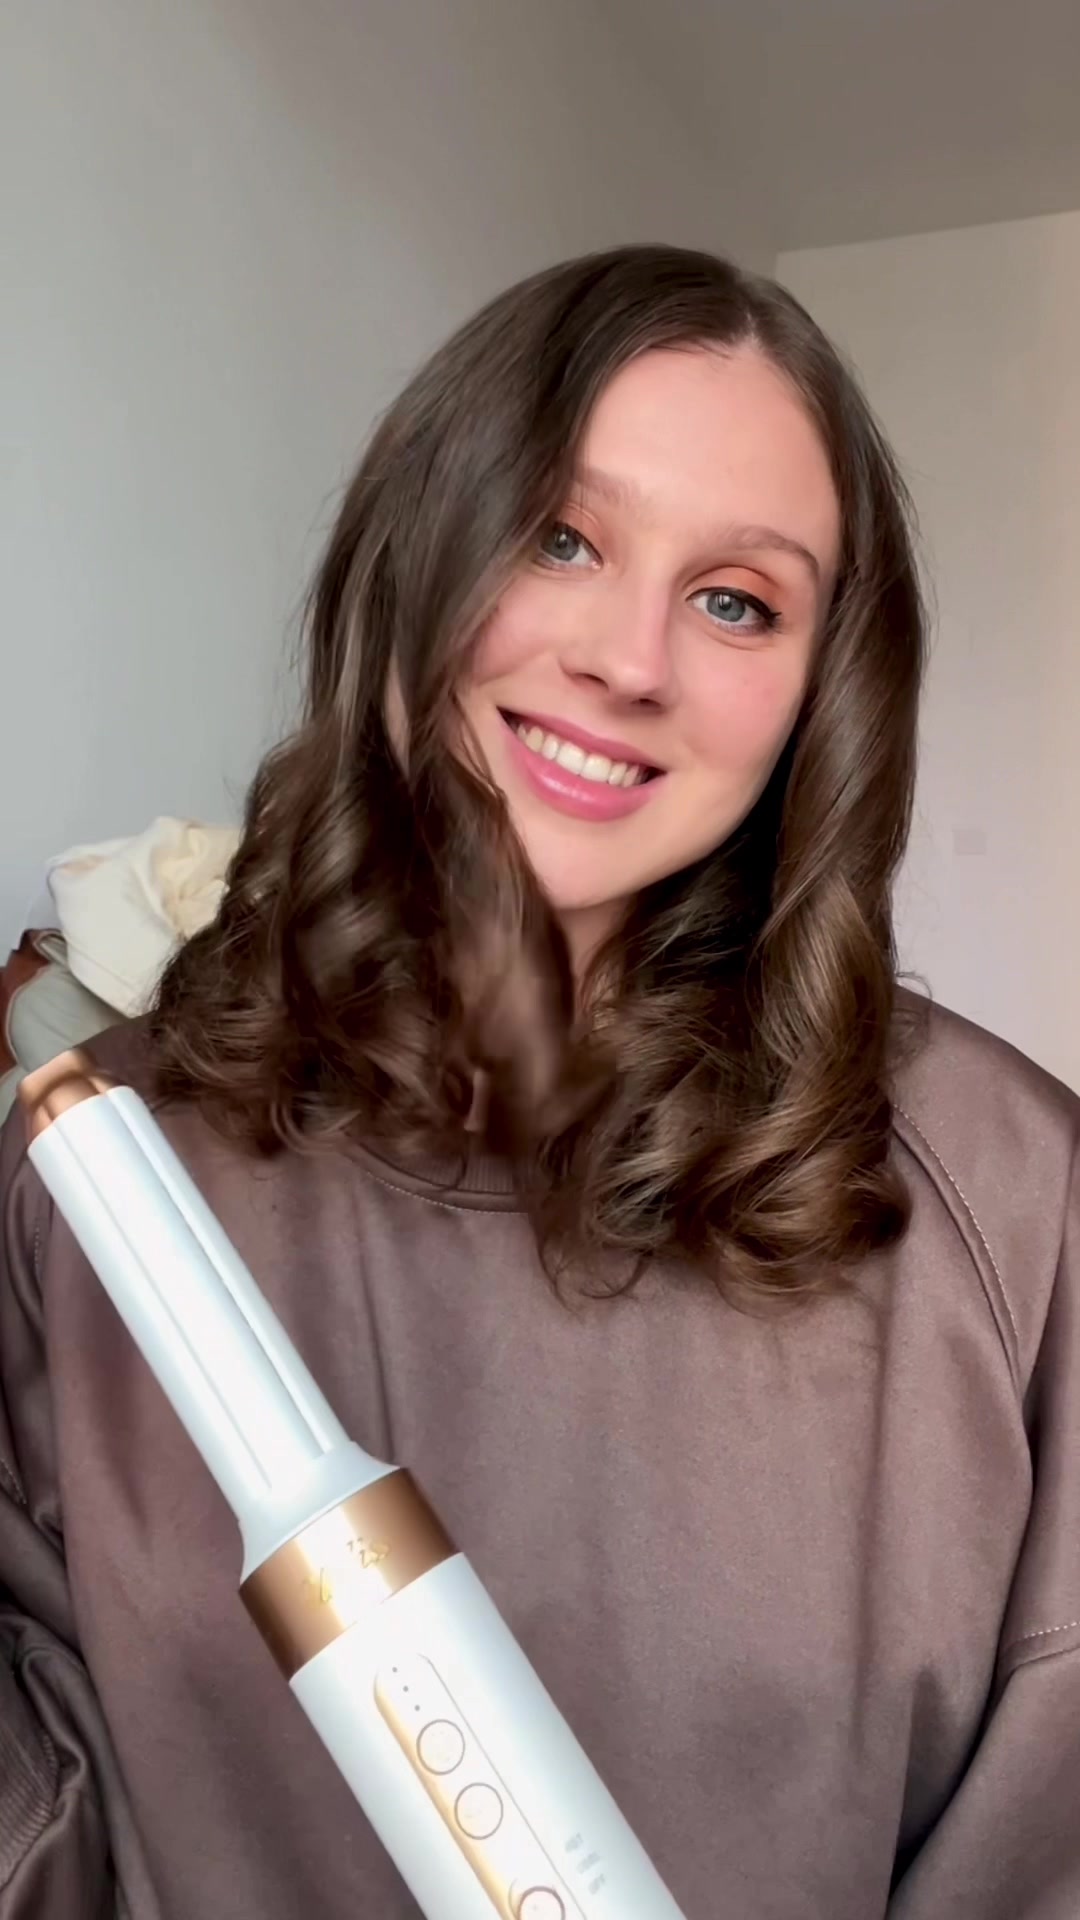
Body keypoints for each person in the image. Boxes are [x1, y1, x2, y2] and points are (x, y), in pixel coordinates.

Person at [1, 244, 1078, 1920]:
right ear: (418, 550)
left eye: (738, 599)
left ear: (824, 690)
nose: (629, 660)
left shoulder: (1009, 1202)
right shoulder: (102, 1178)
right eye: (560, 538)